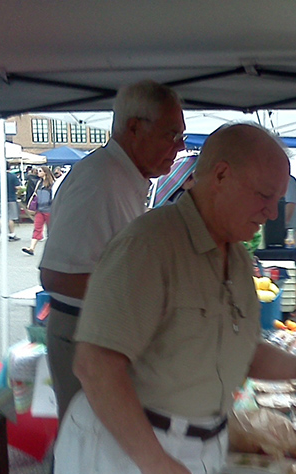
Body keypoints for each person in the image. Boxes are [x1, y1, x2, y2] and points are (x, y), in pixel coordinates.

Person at [54, 123, 296, 474]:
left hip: (199, 450)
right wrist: (153, 462)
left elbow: (243, 348)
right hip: (133, 451)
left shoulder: (236, 258)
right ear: (221, 175)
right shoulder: (151, 245)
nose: (273, 212)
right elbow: (95, 365)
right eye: (265, 195)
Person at [39, 80, 186, 421]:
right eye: (171, 135)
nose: (178, 147)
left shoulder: (121, 176)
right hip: (85, 336)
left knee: (103, 448)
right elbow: (57, 276)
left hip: (101, 335)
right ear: (134, 127)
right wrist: (149, 293)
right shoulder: (101, 180)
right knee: (89, 449)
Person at [22, 167, 55, 256]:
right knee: (37, 228)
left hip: (49, 209)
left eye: (40, 171)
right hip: (40, 209)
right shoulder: (39, 183)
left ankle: (53, 250)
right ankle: (31, 248)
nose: (38, 172)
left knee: (51, 230)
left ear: (45, 172)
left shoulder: (52, 184)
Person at [0, 164, 22, 241]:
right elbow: (17, 187)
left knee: (1, 217)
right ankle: (11, 234)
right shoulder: (13, 176)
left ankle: (1, 232)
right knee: (11, 218)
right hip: (11, 199)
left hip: (1, 199)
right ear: (10, 168)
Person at [283, 174, 296, 245]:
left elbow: (290, 204)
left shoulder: (287, 180)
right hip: (285, 230)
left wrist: (280, 226)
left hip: (290, 231)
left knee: (287, 254)